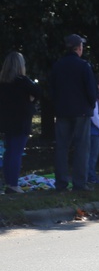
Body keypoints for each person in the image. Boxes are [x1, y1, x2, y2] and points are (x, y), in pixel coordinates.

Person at [49, 34, 99, 192]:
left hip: (63, 111)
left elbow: (52, 89)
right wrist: (91, 105)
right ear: (79, 48)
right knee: (81, 147)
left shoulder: (58, 65)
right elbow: (91, 91)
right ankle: (79, 183)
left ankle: (61, 183)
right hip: (81, 112)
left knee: (61, 148)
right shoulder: (84, 66)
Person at [0, 52, 42, 194]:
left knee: (8, 152)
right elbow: (39, 92)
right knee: (16, 153)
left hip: (6, 121)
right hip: (21, 120)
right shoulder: (23, 81)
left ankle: (8, 182)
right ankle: (13, 184)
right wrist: (31, 100)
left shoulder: (3, 82)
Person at [87, 75, 99, 184]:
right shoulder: (94, 98)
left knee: (88, 154)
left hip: (88, 130)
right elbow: (95, 116)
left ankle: (88, 175)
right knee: (93, 155)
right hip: (94, 131)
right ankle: (91, 176)